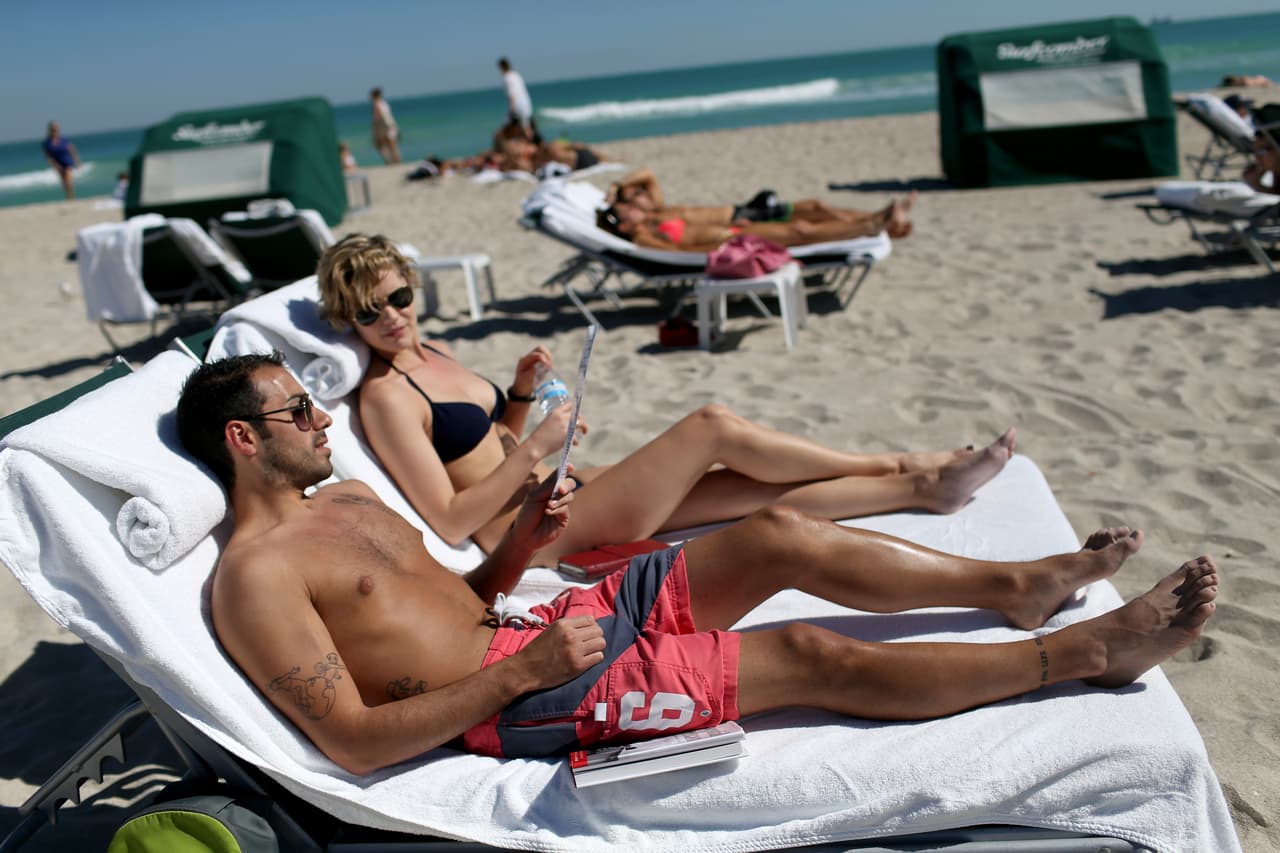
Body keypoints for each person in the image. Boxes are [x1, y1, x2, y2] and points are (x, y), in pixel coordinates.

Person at [175, 351, 1220, 772]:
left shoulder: (348, 497)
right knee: (811, 652)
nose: (321, 418)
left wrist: (520, 554)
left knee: (766, 537)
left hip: (539, 629)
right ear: (242, 439)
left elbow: (455, 599)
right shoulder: (255, 577)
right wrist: (519, 674)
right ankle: (1083, 654)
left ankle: (1016, 586)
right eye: (298, 409)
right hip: (517, 699)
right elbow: (352, 745)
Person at [316, 233, 1017, 569]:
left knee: (744, 493)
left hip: (565, 490)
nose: (393, 317)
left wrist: (522, 394)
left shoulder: (430, 353)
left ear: (412, 286)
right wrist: (534, 446)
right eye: (371, 312)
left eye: (399, 296)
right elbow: (447, 516)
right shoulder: (385, 397)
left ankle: (925, 486)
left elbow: (484, 441)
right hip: (534, 530)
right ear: (350, 318)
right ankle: (902, 460)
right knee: (712, 426)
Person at [606, 167, 916, 236]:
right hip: (739, 222)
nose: (639, 199)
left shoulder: (658, 207)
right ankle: (876, 223)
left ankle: (878, 218)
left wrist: (618, 186)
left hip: (741, 212)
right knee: (807, 221)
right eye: (631, 202)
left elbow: (647, 175)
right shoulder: (651, 227)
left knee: (816, 207)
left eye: (636, 197)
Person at [41, 121, 79, 200]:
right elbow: (47, 155)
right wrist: (54, 164)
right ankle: (68, 196)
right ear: (50, 130)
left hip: (66, 160)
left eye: (57, 129)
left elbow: (72, 150)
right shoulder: (47, 142)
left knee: (69, 180)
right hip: (57, 163)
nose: (56, 131)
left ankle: (71, 197)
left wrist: (77, 161)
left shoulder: (63, 139)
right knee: (64, 181)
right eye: (54, 129)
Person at [498, 57, 533, 133]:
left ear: (502, 67)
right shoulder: (516, 75)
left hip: (518, 105)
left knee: (507, 126)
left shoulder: (507, 78)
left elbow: (512, 93)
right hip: (526, 103)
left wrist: (511, 108)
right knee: (526, 126)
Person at [370, 88, 401, 165]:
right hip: (391, 125)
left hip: (383, 127)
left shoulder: (376, 104)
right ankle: (397, 161)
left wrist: (374, 127)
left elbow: (377, 116)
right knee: (392, 145)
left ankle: (389, 161)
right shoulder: (384, 103)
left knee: (380, 145)